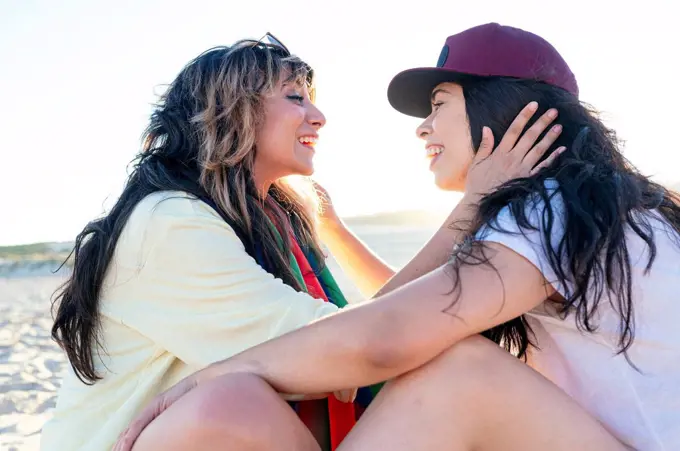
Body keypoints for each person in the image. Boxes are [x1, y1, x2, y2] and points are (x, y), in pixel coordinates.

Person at [115, 23, 680, 451]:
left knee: (453, 368)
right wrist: (335, 232)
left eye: (439, 105)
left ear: (502, 108)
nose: (423, 126)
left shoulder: (552, 207)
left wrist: (232, 369)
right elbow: (423, 306)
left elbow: (386, 337)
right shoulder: (604, 200)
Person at [42, 32, 558, 451]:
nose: (317, 116)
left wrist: (333, 227)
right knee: (237, 399)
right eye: (294, 98)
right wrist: (472, 206)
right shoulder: (170, 222)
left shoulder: (267, 216)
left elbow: (357, 331)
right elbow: (345, 350)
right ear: (230, 112)